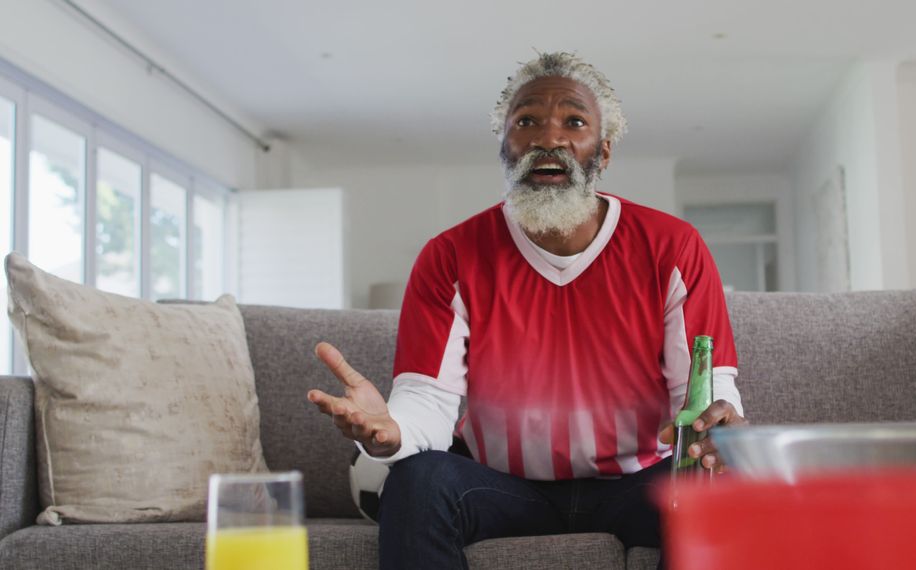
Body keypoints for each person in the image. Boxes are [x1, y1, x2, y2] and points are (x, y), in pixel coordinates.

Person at [307, 52, 746, 569]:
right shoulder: (450, 255)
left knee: (710, 492)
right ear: (505, 147)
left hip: (637, 482)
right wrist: (391, 433)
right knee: (418, 481)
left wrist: (718, 428)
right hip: (508, 488)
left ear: (602, 153)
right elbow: (428, 400)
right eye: (527, 121)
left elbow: (705, 390)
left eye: (574, 122)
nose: (548, 138)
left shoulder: (672, 246)